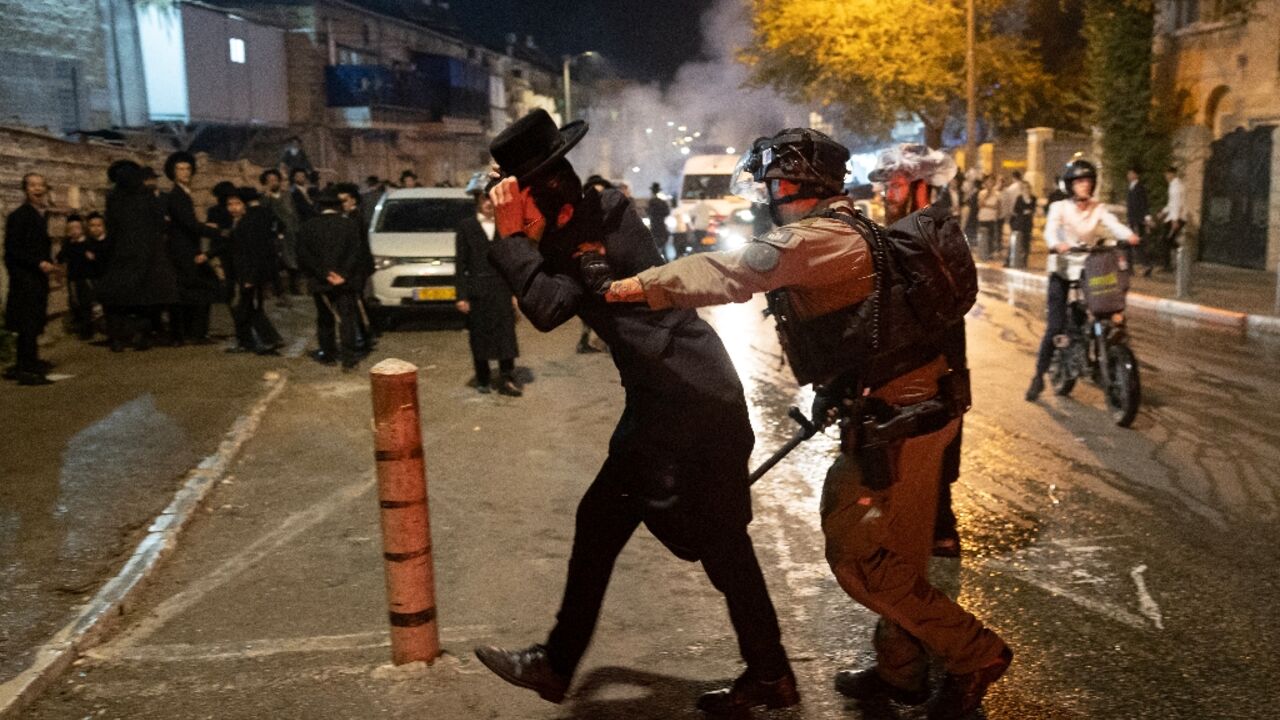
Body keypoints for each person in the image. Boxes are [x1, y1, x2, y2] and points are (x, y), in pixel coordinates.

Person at [604, 128, 1012, 719]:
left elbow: (729, 272)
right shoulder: (845, 230)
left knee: (855, 552)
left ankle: (975, 654)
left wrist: (634, 288)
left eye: (775, 182)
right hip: (906, 410)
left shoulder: (816, 239)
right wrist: (839, 392)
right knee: (897, 554)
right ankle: (901, 671)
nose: (770, 193)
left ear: (796, 184)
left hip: (904, 417)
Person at [474, 109, 797, 716]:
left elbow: (545, 306)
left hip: (687, 399)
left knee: (704, 540)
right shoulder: (579, 222)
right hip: (669, 398)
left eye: (514, 196)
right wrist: (523, 238)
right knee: (639, 530)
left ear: (541, 191)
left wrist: (513, 239)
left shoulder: (605, 222)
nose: (509, 209)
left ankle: (558, 665)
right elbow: (552, 293)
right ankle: (768, 674)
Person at [869, 143, 969, 559]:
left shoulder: (931, 233)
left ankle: (937, 532)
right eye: (886, 189)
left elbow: (942, 305)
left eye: (894, 187)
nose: (886, 197)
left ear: (920, 188)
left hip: (936, 363)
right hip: (917, 364)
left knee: (928, 447)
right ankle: (934, 528)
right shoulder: (907, 232)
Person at [1025, 159, 1139, 402]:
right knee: (1055, 326)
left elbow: (1114, 225)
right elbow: (1050, 230)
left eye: (1087, 181)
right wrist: (1057, 244)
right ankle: (1038, 377)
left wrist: (1129, 236)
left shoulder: (1098, 208)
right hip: (1062, 269)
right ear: (1070, 185)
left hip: (1088, 269)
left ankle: (1105, 356)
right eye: (1079, 182)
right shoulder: (1059, 207)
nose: (1084, 186)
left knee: (1106, 310)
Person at [98, 160, 178, 352]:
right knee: (145, 297)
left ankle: (118, 339)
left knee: (118, 298)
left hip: (122, 253)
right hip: (146, 252)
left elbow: (112, 227)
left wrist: (107, 250)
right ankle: (142, 336)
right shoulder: (148, 195)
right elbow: (159, 222)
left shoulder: (114, 198)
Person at [455, 190, 522, 396]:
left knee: (505, 335)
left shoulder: (505, 226)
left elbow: (512, 262)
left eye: (492, 200)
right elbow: (460, 263)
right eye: (485, 200)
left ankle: (507, 378)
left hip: (501, 288)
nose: (489, 204)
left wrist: (514, 293)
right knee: (479, 335)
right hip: (478, 290)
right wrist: (461, 295)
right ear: (478, 202)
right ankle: (482, 378)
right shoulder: (466, 227)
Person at [296, 188, 362, 370]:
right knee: (346, 318)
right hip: (344, 282)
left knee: (325, 318)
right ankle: (349, 359)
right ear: (338, 207)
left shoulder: (308, 226)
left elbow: (303, 256)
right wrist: (343, 275)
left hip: (320, 282)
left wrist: (324, 274)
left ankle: (329, 354)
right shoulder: (349, 225)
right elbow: (356, 253)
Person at [163, 151, 223, 345]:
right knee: (201, 289)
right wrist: (215, 231)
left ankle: (190, 333)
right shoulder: (177, 195)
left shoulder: (183, 193)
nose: (185, 172)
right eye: (180, 169)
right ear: (173, 172)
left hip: (186, 248)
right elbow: (189, 224)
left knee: (191, 291)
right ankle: (195, 333)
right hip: (184, 250)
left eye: (188, 168)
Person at [3, 173, 57, 385]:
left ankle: (30, 361)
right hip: (26, 278)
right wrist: (38, 263)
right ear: (25, 189)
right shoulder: (19, 216)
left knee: (34, 321)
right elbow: (12, 249)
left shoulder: (39, 214)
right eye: (33, 185)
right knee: (27, 322)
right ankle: (25, 369)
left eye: (41, 185)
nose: (37, 189)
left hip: (36, 277)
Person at [225, 187, 283, 354]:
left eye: (237, 203)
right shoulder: (239, 223)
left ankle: (263, 340)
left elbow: (253, 252)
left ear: (244, 205)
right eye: (230, 204)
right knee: (247, 308)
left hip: (249, 273)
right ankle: (262, 340)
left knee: (246, 308)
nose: (233, 208)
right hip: (244, 273)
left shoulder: (247, 224)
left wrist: (250, 277)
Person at [335, 182, 376, 354]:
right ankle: (365, 336)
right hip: (359, 267)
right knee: (358, 304)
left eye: (344, 200)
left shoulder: (355, 218)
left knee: (358, 304)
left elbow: (357, 248)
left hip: (357, 268)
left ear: (353, 200)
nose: (342, 204)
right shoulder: (352, 217)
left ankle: (366, 336)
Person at [55, 213, 98, 339]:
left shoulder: (88, 242)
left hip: (86, 278)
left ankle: (87, 330)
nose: (74, 231)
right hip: (73, 278)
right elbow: (61, 256)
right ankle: (82, 326)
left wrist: (92, 257)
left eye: (76, 228)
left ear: (82, 228)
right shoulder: (68, 244)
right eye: (71, 229)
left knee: (86, 304)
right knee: (76, 303)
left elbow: (96, 257)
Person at [259, 169, 301, 298]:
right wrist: (267, 197)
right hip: (276, 233)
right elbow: (264, 214)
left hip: (291, 232)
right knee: (277, 261)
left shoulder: (287, 195)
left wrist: (297, 228)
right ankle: (277, 290)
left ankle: (295, 287)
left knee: (293, 260)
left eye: (275, 179)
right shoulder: (264, 197)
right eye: (269, 180)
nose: (273, 182)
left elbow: (294, 212)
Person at [1153, 165, 1185, 273]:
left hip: (1175, 218)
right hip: (1175, 217)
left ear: (1172, 174)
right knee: (1168, 241)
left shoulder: (1176, 187)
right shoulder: (1175, 185)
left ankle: (1168, 266)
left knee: (1165, 241)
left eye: (1167, 174)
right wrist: (1163, 212)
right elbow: (1171, 204)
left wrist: (1175, 220)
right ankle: (1181, 254)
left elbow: (1176, 204)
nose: (1166, 176)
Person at [1125, 166, 1152, 276]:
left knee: (1137, 243)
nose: (1128, 175)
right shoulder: (1130, 187)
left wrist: (1147, 219)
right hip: (1132, 219)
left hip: (1137, 220)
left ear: (1136, 175)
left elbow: (1144, 204)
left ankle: (1146, 264)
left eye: (1130, 173)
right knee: (1132, 243)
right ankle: (1131, 267)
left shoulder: (1140, 188)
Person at [645, 182, 671, 256]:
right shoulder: (662, 202)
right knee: (663, 247)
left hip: (654, 226)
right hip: (662, 225)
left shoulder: (651, 202)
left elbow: (649, 212)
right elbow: (667, 212)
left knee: (655, 245)